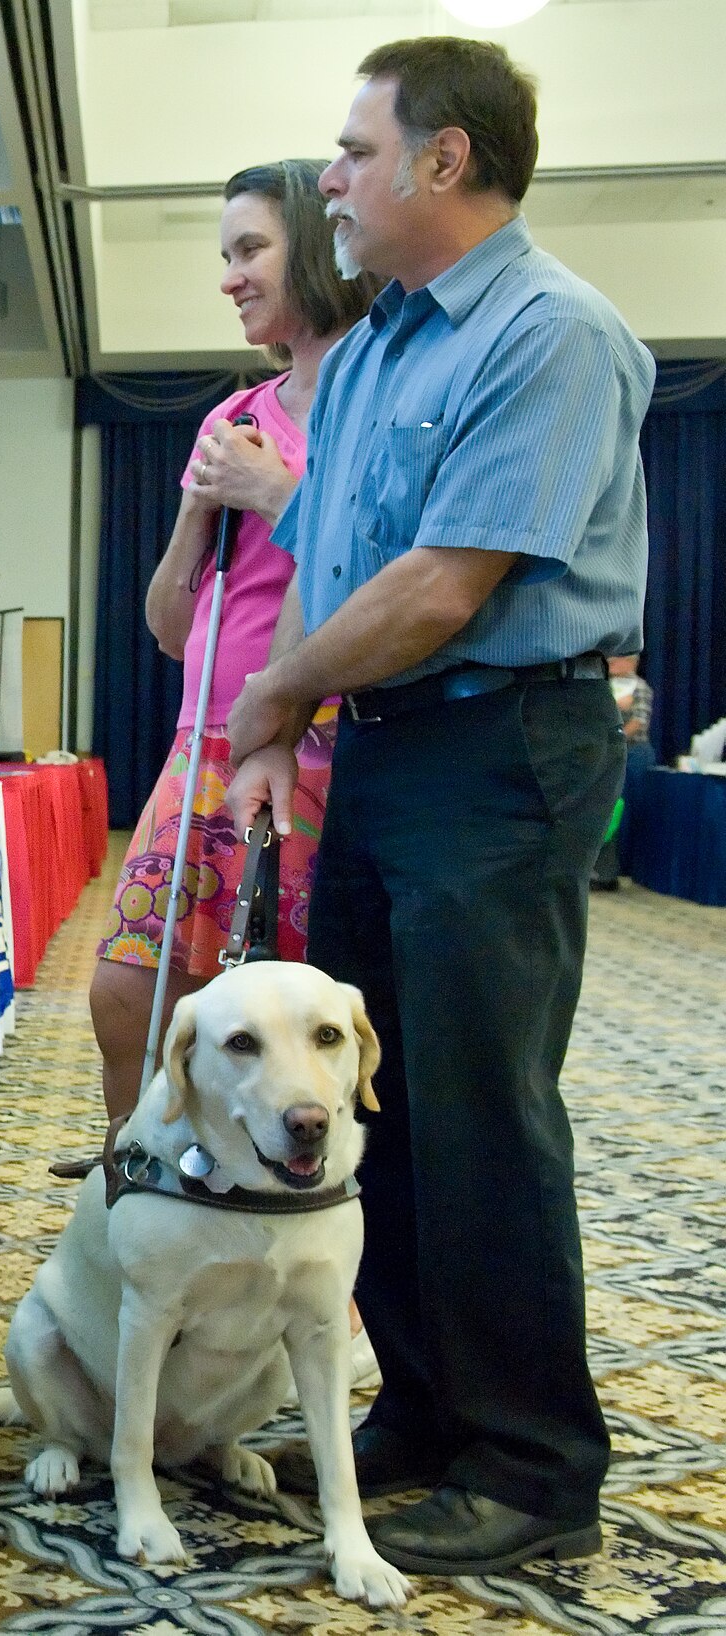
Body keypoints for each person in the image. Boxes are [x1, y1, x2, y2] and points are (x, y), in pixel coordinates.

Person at [224, 37, 650, 1575]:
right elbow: (333, 576)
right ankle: (425, 1409)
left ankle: (537, 1463)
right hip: (393, 752)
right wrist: (284, 715)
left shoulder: (552, 334)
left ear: (443, 161)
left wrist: (274, 701)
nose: (330, 176)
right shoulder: (390, 343)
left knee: (482, 1117)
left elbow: (442, 588)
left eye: (352, 150)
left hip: (503, 753)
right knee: (375, 1111)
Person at [86, 158, 379, 1144]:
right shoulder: (230, 420)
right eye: (224, 254)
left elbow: (394, 578)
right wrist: (201, 506)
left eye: (249, 248)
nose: (229, 276)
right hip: (200, 742)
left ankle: (296, 1199)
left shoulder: (379, 396)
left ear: (312, 243)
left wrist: (273, 496)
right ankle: (144, 1175)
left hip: (321, 744)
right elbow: (170, 626)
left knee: (293, 1008)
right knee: (128, 990)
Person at [590, 654, 655, 887]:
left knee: (620, 812)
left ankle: (615, 871)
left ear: (631, 662)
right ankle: (601, 871)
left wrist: (614, 739)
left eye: (617, 659)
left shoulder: (640, 688)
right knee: (605, 811)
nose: (611, 662)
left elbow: (639, 721)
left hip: (633, 755)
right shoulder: (603, 687)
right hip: (606, 754)